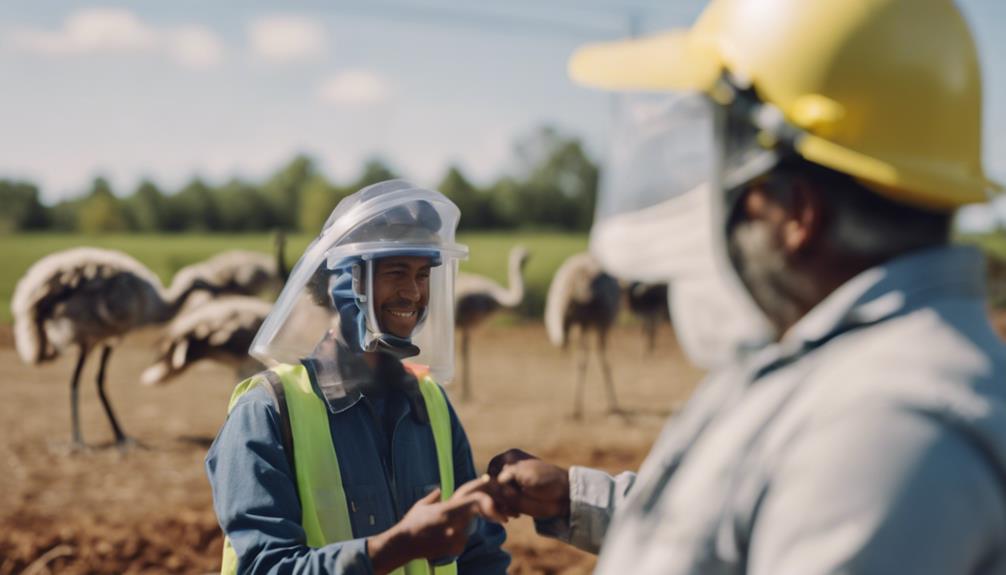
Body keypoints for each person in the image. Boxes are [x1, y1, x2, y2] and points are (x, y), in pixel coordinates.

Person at [488, 0, 1006, 573]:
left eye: (722, 180)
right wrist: (573, 497)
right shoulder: (843, 370)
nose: (704, 214)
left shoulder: (888, 432)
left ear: (795, 213)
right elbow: (741, 521)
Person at [206, 180, 510, 575]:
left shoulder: (431, 403)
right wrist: (396, 547)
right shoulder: (267, 411)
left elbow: (478, 554)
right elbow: (264, 566)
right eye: (396, 271)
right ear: (343, 283)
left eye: (422, 274)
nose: (413, 293)